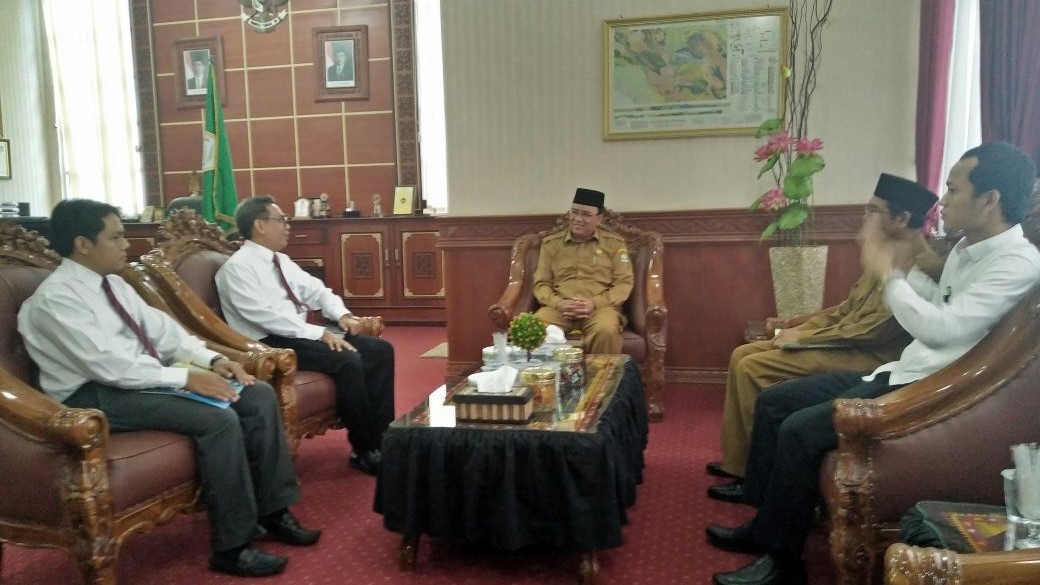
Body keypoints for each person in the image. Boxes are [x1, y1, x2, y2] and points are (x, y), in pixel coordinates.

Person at [706, 142, 1040, 585]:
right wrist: (903, 272)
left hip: (932, 390)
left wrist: (890, 274)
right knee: (774, 402)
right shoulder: (967, 248)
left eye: (954, 189)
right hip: (902, 371)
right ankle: (765, 525)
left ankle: (782, 563)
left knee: (799, 430)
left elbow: (942, 328)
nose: (943, 201)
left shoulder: (1016, 263)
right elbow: (943, 303)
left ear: (990, 199)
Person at [17, 199, 319, 578]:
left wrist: (210, 360)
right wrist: (186, 378)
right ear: (83, 244)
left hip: (139, 379)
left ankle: (273, 510)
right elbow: (109, 365)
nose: (126, 244)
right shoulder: (55, 300)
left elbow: (164, 332)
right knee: (218, 419)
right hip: (92, 396)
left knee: (257, 394)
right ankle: (232, 546)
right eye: (116, 237)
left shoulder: (114, 284)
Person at [707, 174, 941, 504]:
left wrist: (802, 338)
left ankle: (755, 475)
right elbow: (847, 310)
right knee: (741, 355)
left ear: (902, 219)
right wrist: (793, 325)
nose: (865, 216)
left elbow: (869, 331)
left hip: (873, 357)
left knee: (753, 367)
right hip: (846, 344)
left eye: (874, 210)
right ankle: (739, 462)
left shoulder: (920, 268)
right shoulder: (888, 252)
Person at [215, 195, 393, 476]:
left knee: (380, 350)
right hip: (267, 343)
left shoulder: (281, 261)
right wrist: (319, 333)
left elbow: (317, 291)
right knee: (347, 359)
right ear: (260, 225)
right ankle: (364, 448)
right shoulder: (237, 269)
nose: (287, 225)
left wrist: (342, 315)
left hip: (299, 333)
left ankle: (386, 438)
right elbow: (264, 316)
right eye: (281, 220)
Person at [533, 188, 634, 354]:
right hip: (559, 309)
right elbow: (541, 283)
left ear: (599, 219)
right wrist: (558, 303)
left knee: (606, 330)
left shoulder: (614, 244)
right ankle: (544, 372)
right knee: (533, 328)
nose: (577, 219)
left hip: (600, 309)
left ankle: (602, 372)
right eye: (574, 212)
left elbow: (623, 284)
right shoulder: (551, 244)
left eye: (586, 214)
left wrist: (594, 303)